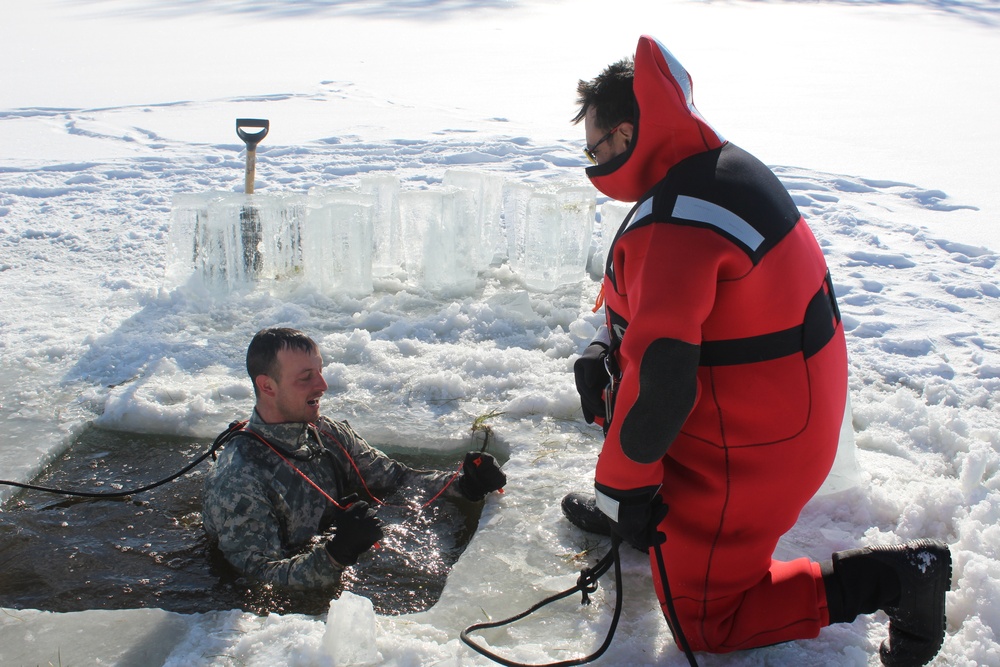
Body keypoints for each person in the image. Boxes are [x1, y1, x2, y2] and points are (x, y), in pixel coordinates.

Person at [562, 35, 950, 666]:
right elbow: (656, 316)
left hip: (749, 451)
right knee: (625, 412)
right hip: (777, 415)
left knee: (709, 625)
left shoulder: (677, 220)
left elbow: (663, 376)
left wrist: (622, 483)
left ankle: (899, 579)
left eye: (595, 146)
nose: (591, 160)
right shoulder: (711, 169)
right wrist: (600, 344)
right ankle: (639, 512)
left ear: (628, 135)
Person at [202, 327, 506, 590]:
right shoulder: (239, 476)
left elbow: (395, 478)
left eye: (320, 371)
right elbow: (259, 576)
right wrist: (336, 555)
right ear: (267, 386)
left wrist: (463, 484)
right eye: (306, 378)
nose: (322, 385)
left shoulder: (327, 433)